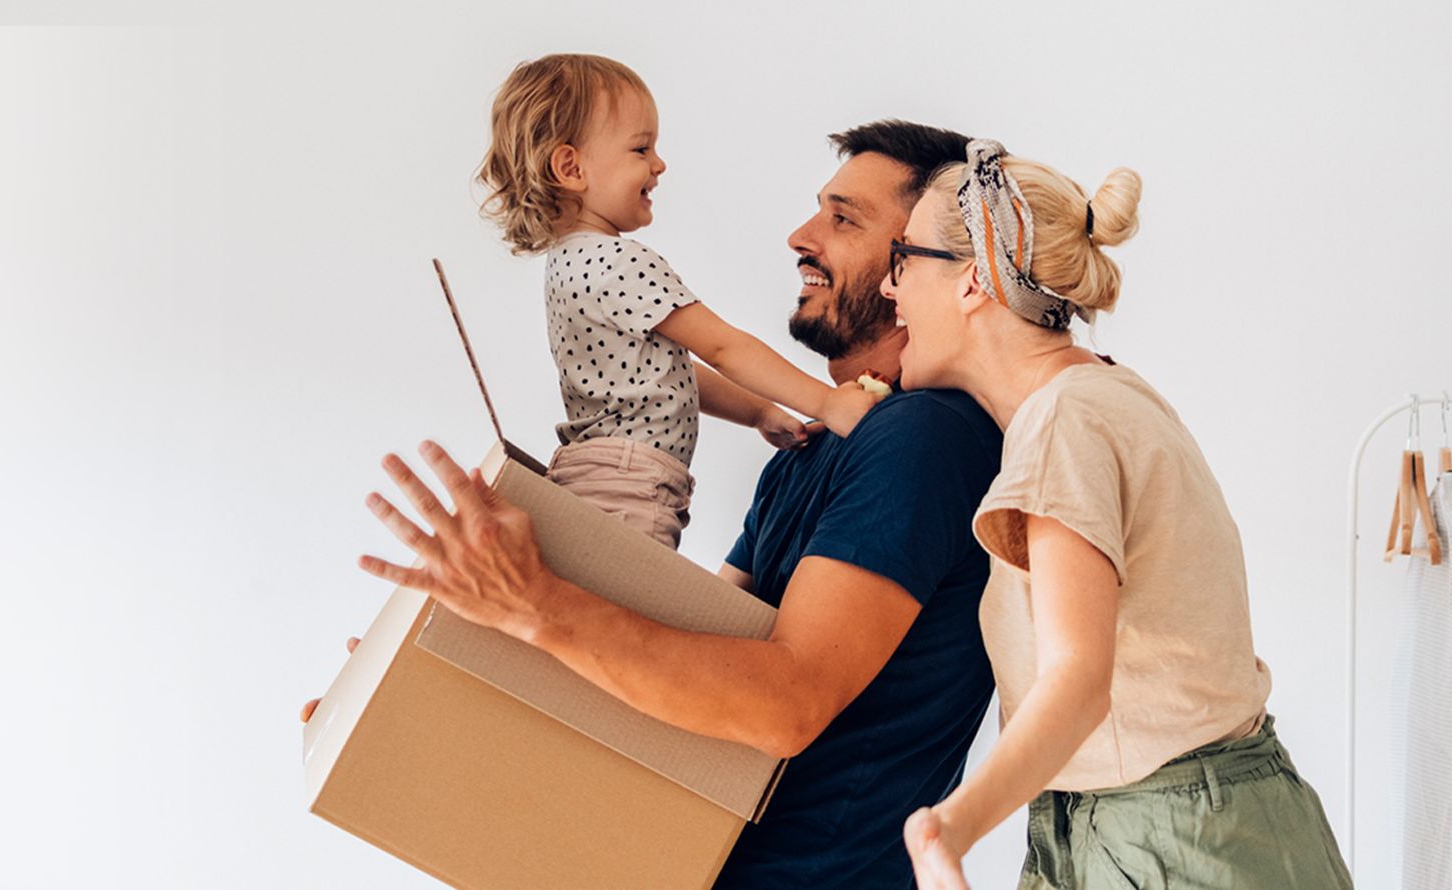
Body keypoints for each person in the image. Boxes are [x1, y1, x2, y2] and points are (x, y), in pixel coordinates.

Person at [351, 120, 1002, 886]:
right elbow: (682, 669)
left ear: (934, 264)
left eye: (843, 218)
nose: (802, 236)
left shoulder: (926, 436)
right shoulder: (811, 449)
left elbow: (783, 705)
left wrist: (531, 603)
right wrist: (450, 666)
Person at [882, 140, 1352, 889]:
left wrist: (949, 827)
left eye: (902, 259)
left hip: (1178, 838)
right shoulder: (1099, 397)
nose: (887, 286)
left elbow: (1078, 678)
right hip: (1181, 824)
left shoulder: (1065, 421)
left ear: (971, 281)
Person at [475, 54, 881, 548]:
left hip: (592, 476)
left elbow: (667, 372)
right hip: (630, 486)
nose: (659, 164)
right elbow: (722, 347)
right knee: (630, 610)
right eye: (641, 148)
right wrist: (828, 403)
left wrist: (758, 412)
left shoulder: (568, 263)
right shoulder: (620, 262)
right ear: (571, 168)